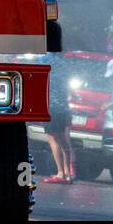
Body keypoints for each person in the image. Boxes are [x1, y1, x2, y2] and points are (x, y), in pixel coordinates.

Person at [42, 53, 76, 184]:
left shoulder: (46, 58)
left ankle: (63, 173)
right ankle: (65, 172)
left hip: (51, 104)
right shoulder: (64, 60)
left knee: (55, 137)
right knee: (58, 137)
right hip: (61, 104)